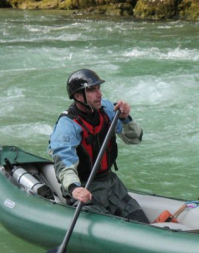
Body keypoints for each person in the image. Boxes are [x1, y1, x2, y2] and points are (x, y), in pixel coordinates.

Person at [48, 69, 149, 223]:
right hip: (84, 187)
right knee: (109, 227)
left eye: (98, 88)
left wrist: (125, 118)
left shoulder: (108, 109)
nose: (99, 94)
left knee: (141, 222)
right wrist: (74, 188)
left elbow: (135, 139)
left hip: (111, 185)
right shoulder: (67, 125)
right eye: (91, 90)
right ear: (77, 96)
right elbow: (64, 164)